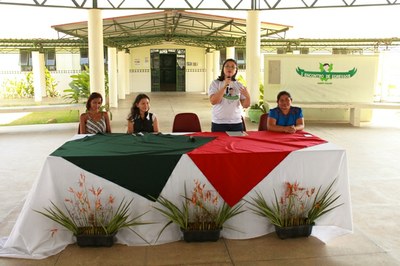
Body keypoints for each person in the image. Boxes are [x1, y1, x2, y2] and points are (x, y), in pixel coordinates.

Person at [208, 59, 250, 132]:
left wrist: (248, 96)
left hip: (236, 123)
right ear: (223, 68)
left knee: (237, 143)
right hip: (219, 123)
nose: (229, 68)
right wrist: (225, 86)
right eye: (227, 66)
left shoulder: (239, 85)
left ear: (236, 70)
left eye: (233, 67)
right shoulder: (215, 83)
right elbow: (213, 101)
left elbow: (245, 105)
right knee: (219, 143)